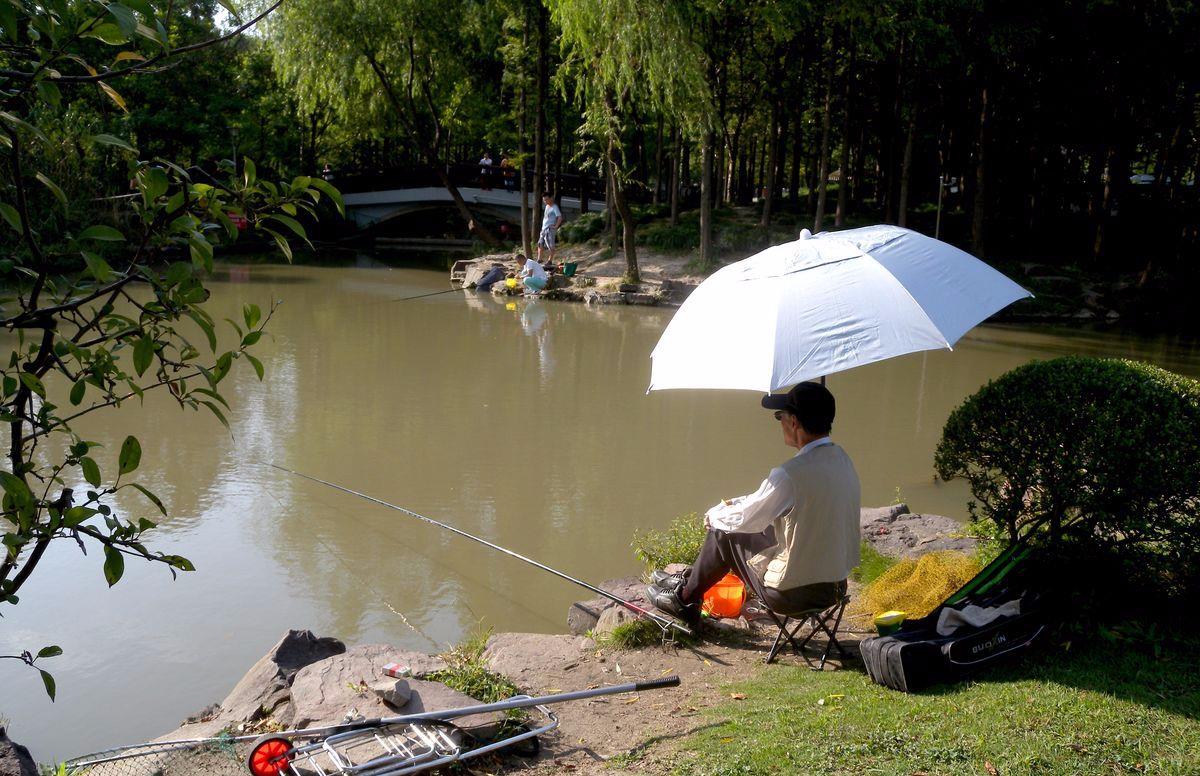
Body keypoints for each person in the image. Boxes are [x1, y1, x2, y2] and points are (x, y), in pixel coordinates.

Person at [645, 382, 861, 627]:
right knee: (765, 528)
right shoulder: (843, 460)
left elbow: (746, 519)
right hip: (834, 587)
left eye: (780, 416)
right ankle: (689, 581)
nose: (779, 422)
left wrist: (714, 516)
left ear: (794, 423)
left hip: (792, 595)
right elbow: (768, 503)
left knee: (722, 534)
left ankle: (684, 600)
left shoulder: (789, 474)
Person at [537, 194, 563, 264]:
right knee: (540, 244)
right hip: (543, 229)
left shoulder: (555, 207)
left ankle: (550, 260)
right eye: (544, 200)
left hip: (550, 229)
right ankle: (539, 259)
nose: (545, 201)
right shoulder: (547, 206)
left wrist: (556, 226)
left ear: (551, 198)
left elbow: (559, 217)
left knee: (550, 245)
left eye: (546, 199)